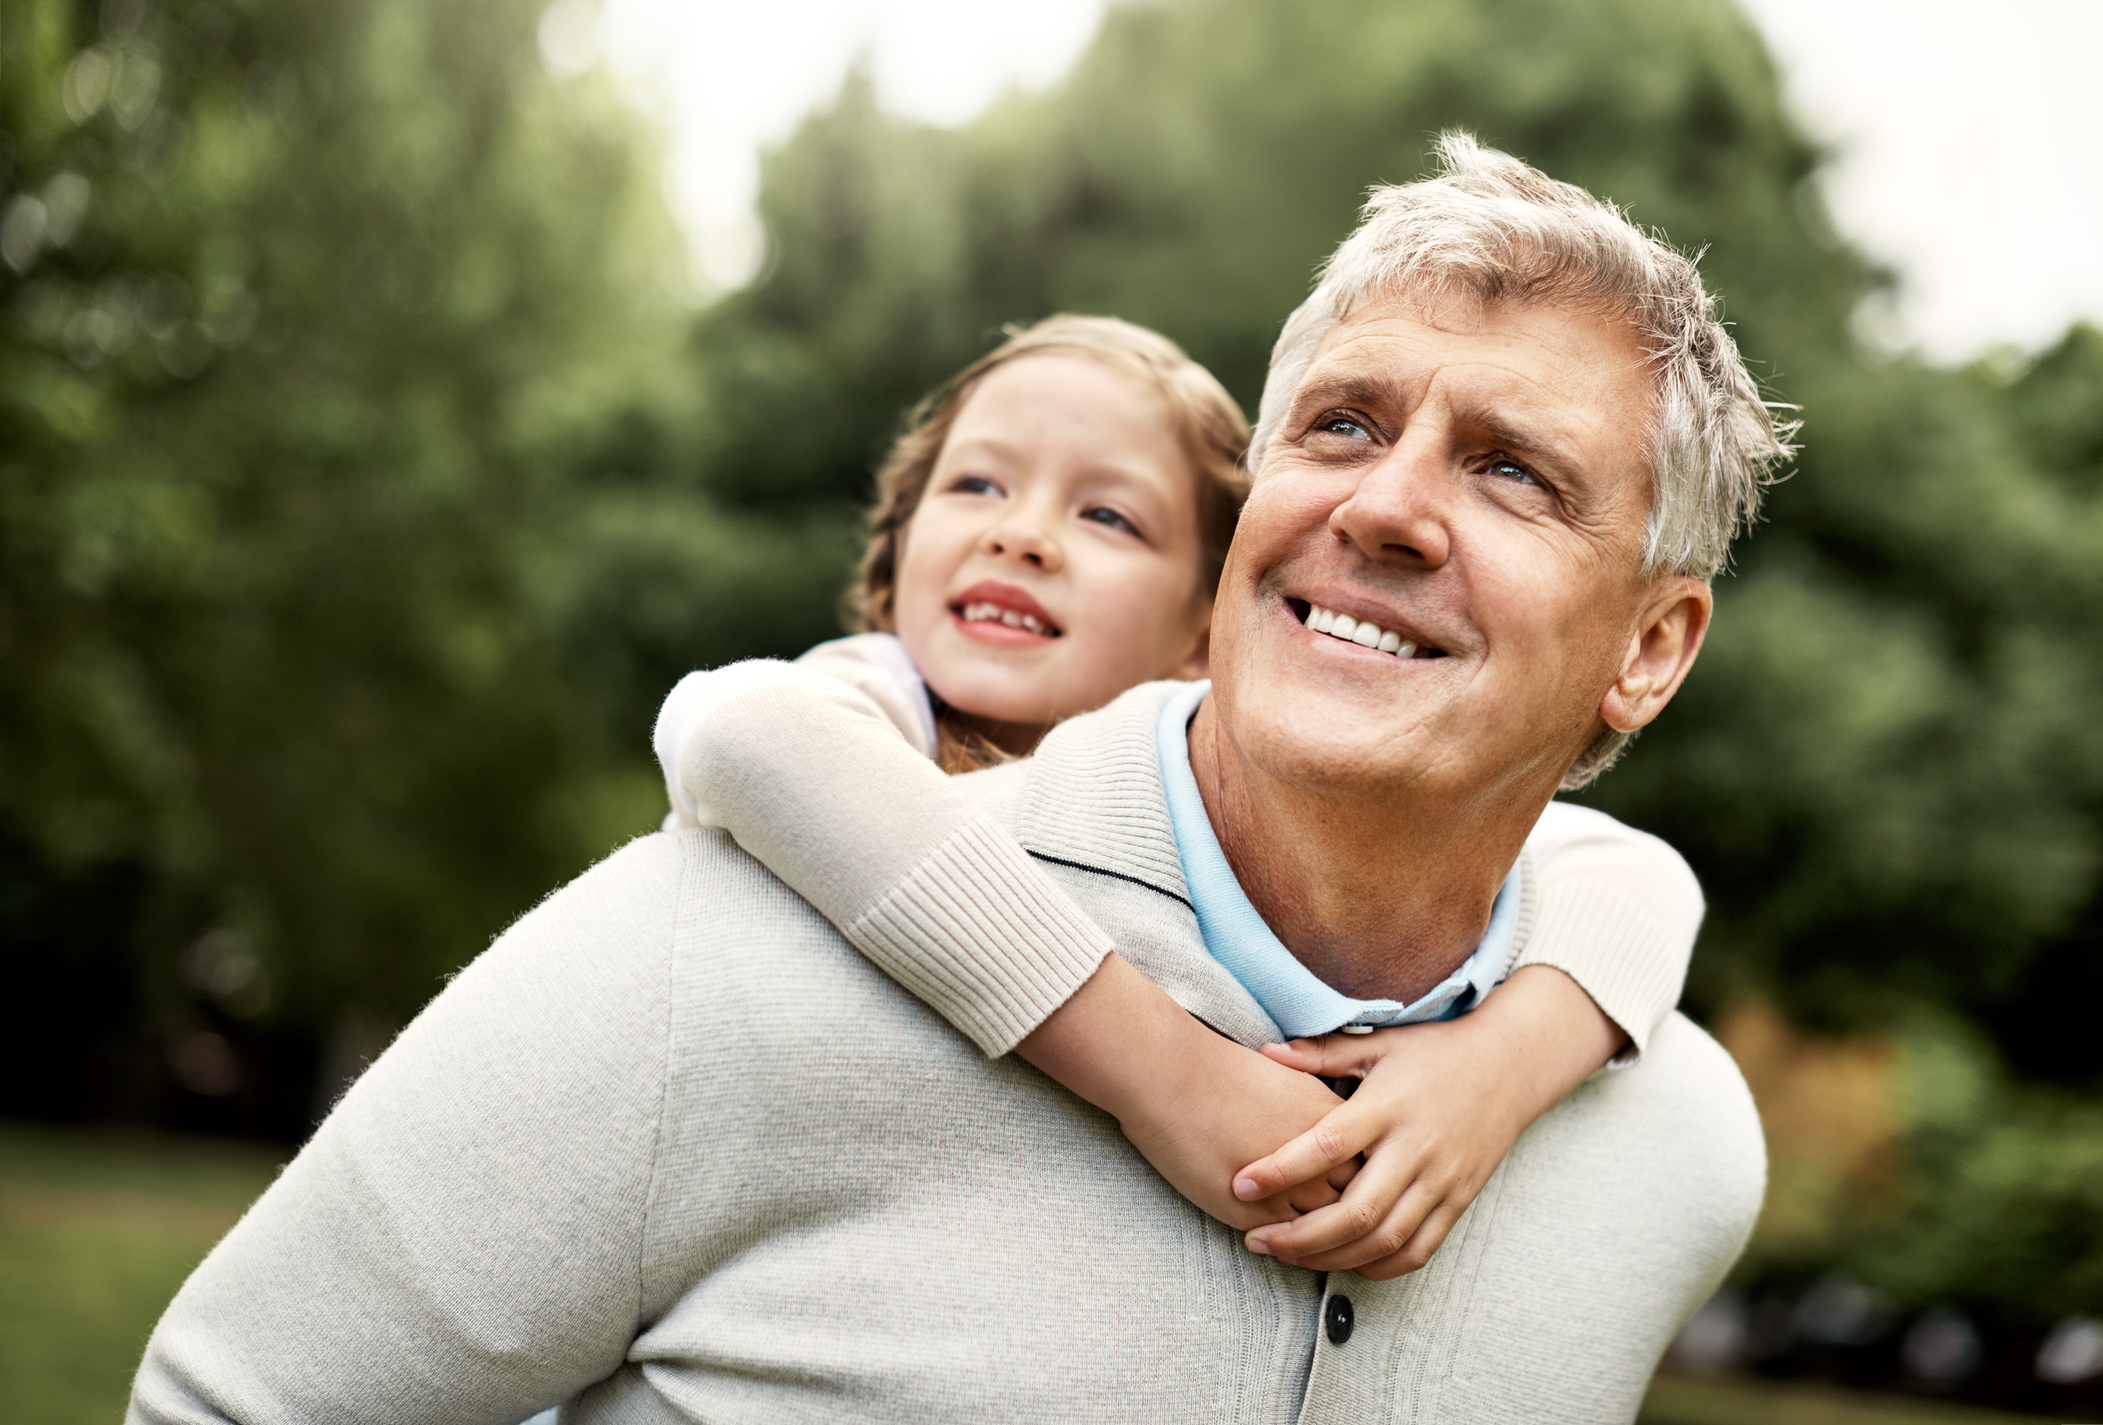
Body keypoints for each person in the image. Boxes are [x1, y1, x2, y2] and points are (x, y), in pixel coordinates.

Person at [130, 134, 1783, 1425]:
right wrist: (1163, 1070)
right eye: (1343, 426)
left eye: (1507, 468)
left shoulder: (1671, 1144)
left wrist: (1517, 1051)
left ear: (1650, 647)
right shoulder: (731, 931)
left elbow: (1637, 883)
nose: (1388, 507)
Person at [652, 313, 1705, 1271]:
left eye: (1107, 516)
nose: (1020, 534)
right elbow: (739, 729)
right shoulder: (877, 702)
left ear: (1211, 624)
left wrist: (1497, 1071)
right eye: (975, 486)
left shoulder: (1205, 804)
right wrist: (1169, 1077)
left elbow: (1640, 876)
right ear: (893, 547)